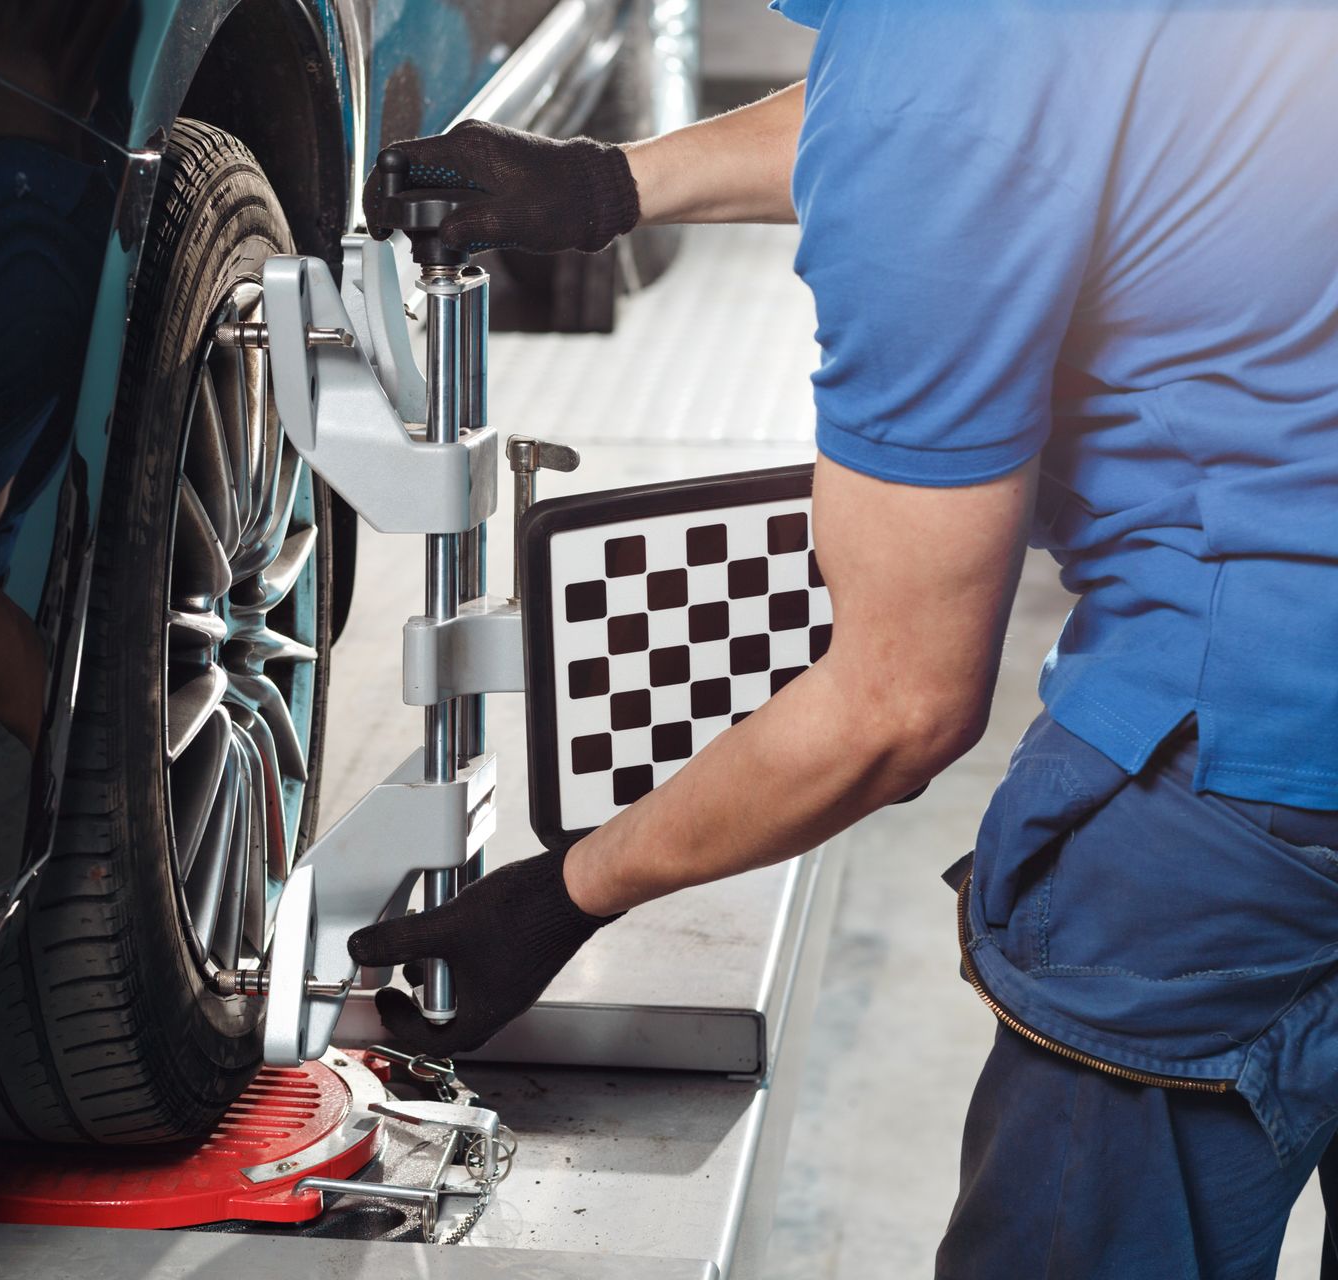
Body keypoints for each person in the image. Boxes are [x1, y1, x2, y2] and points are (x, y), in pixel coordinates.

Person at [349, 3, 1338, 1275]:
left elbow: (901, 704)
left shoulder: (927, 79)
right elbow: (1011, 105)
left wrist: (564, 893)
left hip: (1247, 768)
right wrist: (613, 183)